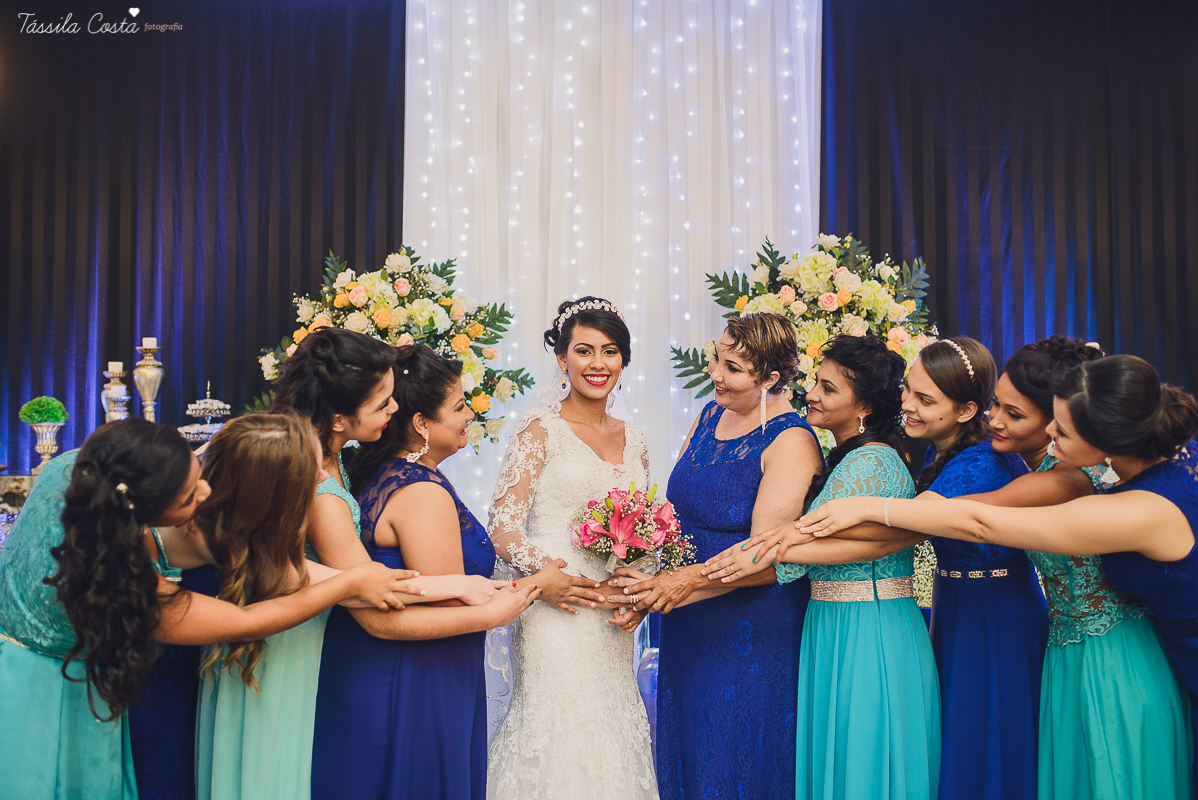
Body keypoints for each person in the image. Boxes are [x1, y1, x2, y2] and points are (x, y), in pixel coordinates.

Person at [795, 353, 1198, 798]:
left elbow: (981, 523)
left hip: (1122, 661)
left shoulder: (1135, 505)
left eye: (1061, 431)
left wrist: (869, 505)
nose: (1048, 435)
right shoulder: (1140, 467)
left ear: (1105, 442)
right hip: (1081, 649)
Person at [0, 418, 418, 800]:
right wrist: (350, 581)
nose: (203, 493)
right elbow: (245, 621)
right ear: (145, 513)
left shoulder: (91, 467)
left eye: (196, 473)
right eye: (187, 498)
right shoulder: (123, 579)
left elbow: (225, 438)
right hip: (43, 690)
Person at [702, 335, 940, 799]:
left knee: (861, 762)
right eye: (816, 382)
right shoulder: (844, 455)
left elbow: (795, 547)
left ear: (864, 406)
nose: (811, 394)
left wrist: (690, 578)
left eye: (828, 389)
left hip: (868, 630)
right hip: (834, 625)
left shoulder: (871, 462)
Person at [312, 345, 541, 800]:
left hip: (389, 666)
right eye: (458, 407)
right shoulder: (421, 492)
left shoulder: (375, 470)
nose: (468, 415)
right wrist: (529, 591)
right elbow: (450, 600)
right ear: (421, 424)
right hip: (420, 676)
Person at [615, 313, 822, 799]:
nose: (714, 373)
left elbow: (768, 558)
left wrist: (682, 584)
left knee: (735, 752)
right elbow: (675, 511)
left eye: (732, 367)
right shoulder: (710, 415)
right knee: (687, 740)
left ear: (770, 379)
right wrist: (645, 575)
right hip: (687, 614)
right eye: (716, 356)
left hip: (749, 624)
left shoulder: (791, 441)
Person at [486, 297, 657, 800]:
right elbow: (504, 527)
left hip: (610, 614)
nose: (597, 364)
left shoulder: (637, 439)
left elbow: (646, 528)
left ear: (624, 360)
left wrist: (634, 595)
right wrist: (549, 577)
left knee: (610, 729)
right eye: (584, 351)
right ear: (562, 359)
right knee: (554, 728)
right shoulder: (539, 429)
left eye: (610, 351)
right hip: (552, 609)